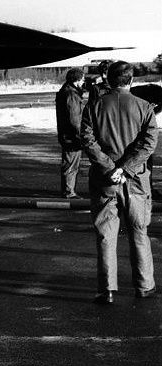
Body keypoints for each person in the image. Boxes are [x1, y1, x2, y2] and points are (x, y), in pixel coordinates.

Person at [80, 61, 158, 304]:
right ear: (130, 80)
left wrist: (110, 167)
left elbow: (87, 139)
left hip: (105, 181)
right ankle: (144, 286)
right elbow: (148, 143)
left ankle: (107, 289)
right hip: (136, 181)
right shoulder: (144, 107)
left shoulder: (93, 106)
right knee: (139, 231)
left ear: (109, 79)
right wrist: (127, 168)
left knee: (106, 233)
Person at [55, 68, 85, 198]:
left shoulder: (65, 92)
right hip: (71, 137)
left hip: (67, 135)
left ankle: (68, 190)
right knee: (71, 166)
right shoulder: (71, 95)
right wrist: (80, 136)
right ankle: (69, 192)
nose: (84, 82)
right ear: (77, 80)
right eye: (82, 79)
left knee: (69, 164)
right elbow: (75, 119)